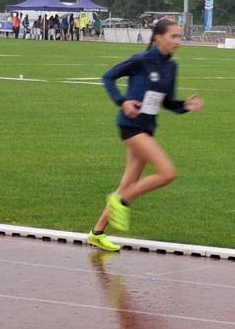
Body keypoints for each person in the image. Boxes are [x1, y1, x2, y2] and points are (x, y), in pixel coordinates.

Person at [87, 17, 204, 251]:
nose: (178, 41)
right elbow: (108, 77)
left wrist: (185, 105)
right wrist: (122, 102)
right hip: (130, 126)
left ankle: (97, 233)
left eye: (179, 36)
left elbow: (167, 102)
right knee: (168, 173)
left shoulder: (171, 67)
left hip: (147, 128)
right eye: (173, 36)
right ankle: (121, 201)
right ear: (158, 37)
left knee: (128, 182)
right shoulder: (141, 60)